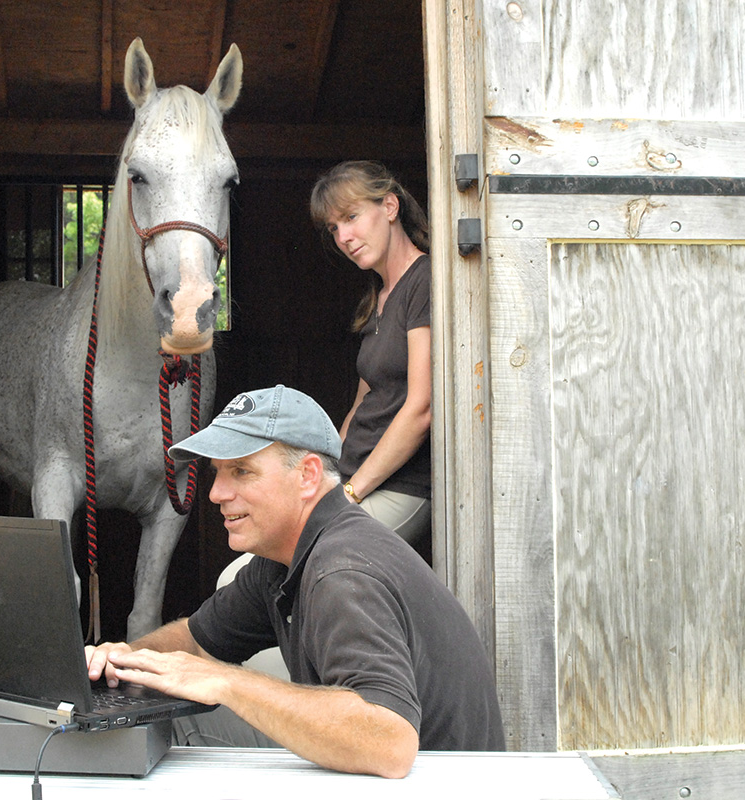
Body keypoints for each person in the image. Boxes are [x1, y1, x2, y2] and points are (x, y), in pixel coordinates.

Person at [85, 385, 505, 779]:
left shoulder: (341, 570)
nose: (216, 493)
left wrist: (226, 682)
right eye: (217, 473)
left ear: (307, 476)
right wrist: (120, 660)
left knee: (171, 726)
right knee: (164, 703)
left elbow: (390, 743)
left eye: (241, 472)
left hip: (444, 786)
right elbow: (196, 641)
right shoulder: (287, 555)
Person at [310, 161, 432, 548]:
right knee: (252, 574)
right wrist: (332, 474)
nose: (343, 236)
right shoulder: (376, 298)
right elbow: (363, 403)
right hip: (356, 478)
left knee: (296, 564)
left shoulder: (425, 280)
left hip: (401, 486)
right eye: (334, 228)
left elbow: (421, 408)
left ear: (390, 208)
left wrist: (350, 494)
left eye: (351, 217)